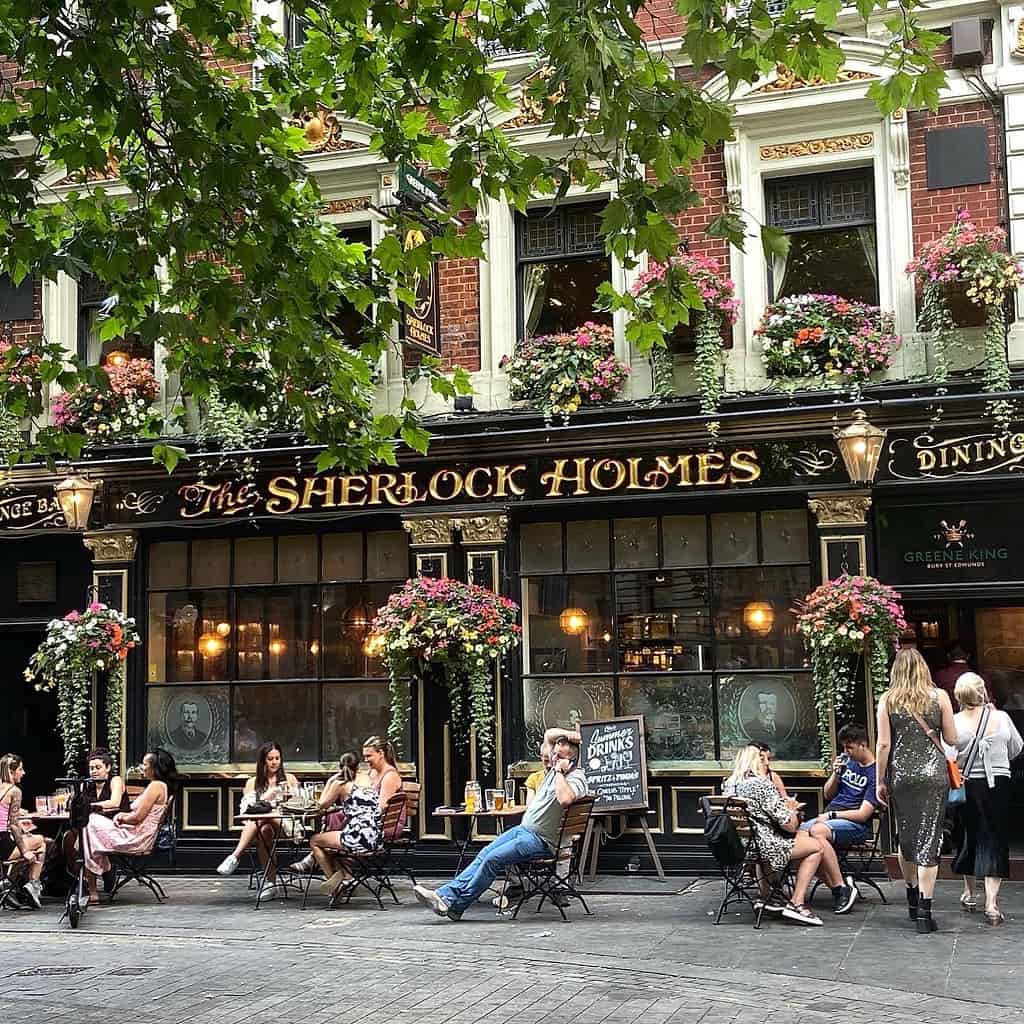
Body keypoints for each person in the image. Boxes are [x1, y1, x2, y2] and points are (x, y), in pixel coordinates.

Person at [412, 732, 588, 921]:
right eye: (554, 754)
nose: (553, 758)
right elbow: (549, 735)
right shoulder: (553, 770)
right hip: (524, 831)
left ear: (571, 760)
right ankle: (445, 897)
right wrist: (570, 737)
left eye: (559, 756)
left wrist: (561, 771)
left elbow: (565, 799)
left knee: (493, 860)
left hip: (541, 841)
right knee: (484, 853)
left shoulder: (576, 777)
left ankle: (454, 902)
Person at [723, 745, 857, 924]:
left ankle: (768, 897)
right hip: (764, 846)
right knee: (815, 847)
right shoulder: (761, 784)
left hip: (741, 847)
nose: (767, 764)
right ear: (757, 761)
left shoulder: (729, 784)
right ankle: (797, 902)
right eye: (764, 759)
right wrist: (792, 809)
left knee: (799, 842)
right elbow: (790, 826)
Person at [876, 647, 957, 933]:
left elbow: (883, 744)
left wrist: (879, 780)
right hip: (933, 775)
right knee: (929, 840)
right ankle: (925, 913)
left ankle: (911, 898)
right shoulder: (940, 697)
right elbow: (952, 737)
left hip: (902, 776)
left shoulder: (887, 700)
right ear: (924, 668)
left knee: (906, 837)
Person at [951, 672, 1023, 925]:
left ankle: (970, 893)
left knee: (968, 835)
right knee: (994, 838)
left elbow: (949, 754)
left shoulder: (955, 721)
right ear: (983, 692)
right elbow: (1017, 747)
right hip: (998, 784)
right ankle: (991, 903)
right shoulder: (1001, 718)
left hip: (967, 784)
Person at [82, 749, 175, 904]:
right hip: (135, 832)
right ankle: (100, 873)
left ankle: (92, 885)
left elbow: (137, 818)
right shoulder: (157, 785)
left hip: (136, 837)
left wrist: (122, 817)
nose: (141, 767)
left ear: (154, 767)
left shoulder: (156, 786)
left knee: (87, 825)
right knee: (88, 827)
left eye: (145, 764)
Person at [296, 752, 384, 895]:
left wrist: (331, 781)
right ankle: (347, 879)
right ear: (358, 766)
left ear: (340, 767)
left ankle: (334, 886)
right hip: (376, 838)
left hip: (358, 837)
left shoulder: (340, 784)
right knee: (331, 846)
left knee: (315, 841)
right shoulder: (366, 779)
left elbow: (320, 805)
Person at [216, 741, 300, 879]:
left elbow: (298, 805)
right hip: (259, 827)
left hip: (285, 825)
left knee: (266, 817)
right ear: (263, 761)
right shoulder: (252, 782)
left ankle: (236, 855)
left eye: (277, 758)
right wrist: (267, 797)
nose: (274, 762)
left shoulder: (289, 779)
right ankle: (270, 882)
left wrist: (285, 797)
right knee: (265, 830)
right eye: (270, 759)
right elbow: (246, 811)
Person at [803, 724, 880, 849]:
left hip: (855, 825)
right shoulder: (848, 762)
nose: (846, 752)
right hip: (830, 817)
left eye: (849, 747)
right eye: (843, 747)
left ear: (863, 745)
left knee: (817, 831)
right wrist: (836, 774)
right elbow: (827, 795)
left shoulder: (875, 773)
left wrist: (831, 815)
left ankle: (832, 870)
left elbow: (863, 814)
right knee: (801, 832)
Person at [0, 754, 46, 909]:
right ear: (12, 772)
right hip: (2, 846)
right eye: (21, 769)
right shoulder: (14, 791)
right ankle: (33, 885)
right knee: (41, 842)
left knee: (33, 844)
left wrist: (20, 819)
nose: (24, 772)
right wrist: (25, 851)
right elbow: (12, 826)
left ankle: (8, 884)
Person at [932, 645, 971, 711]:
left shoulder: (939, 675)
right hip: (975, 718)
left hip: (948, 716)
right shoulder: (979, 676)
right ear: (968, 656)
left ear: (948, 656)